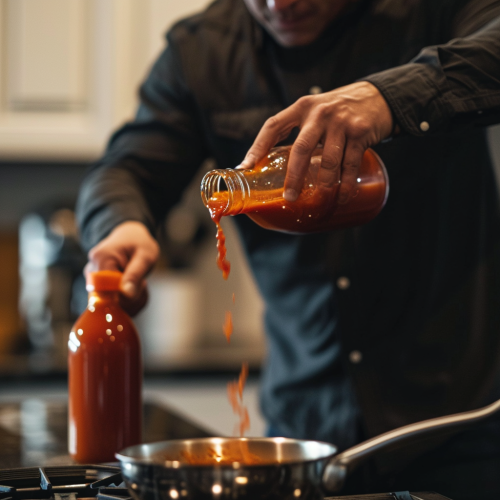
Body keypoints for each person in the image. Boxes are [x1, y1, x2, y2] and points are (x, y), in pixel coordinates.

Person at [76, 0, 500, 497]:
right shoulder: (203, 50)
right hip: (304, 437)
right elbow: (126, 170)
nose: (280, 4)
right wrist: (120, 223)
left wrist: (386, 98)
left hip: (456, 426)